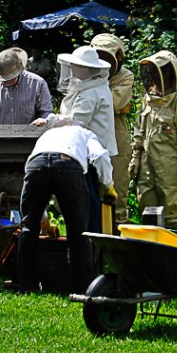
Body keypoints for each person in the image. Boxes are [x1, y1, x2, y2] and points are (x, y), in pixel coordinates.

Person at [15, 121, 117, 293]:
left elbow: (34, 199)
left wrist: (43, 219)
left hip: (35, 165)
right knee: (79, 233)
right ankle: (81, 289)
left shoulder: (48, 134)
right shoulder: (84, 132)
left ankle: (26, 286)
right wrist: (108, 185)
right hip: (68, 164)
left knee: (28, 230)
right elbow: (100, 156)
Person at [34, 45, 117, 232]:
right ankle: (90, 239)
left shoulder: (90, 93)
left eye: (76, 65)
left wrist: (51, 120)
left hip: (92, 154)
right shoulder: (88, 88)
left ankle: (92, 240)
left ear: (87, 69)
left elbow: (76, 121)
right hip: (86, 151)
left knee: (90, 201)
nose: (71, 68)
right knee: (86, 201)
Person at [129, 50, 177, 229]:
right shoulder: (149, 98)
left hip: (170, 163)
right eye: (151, 71)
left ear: (169, 73)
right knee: (145, 203)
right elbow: (140, 128)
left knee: (170, 208)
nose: (153, 75)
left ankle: (171, 241)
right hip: (147, 162)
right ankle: (150, 241)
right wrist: (136, 156)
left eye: (157, 71)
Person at [91, 33, 134, 227]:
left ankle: (117, 229)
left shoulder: (125, 76)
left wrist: (94, 95)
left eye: (107, 58)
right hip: (91, 135)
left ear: (118, 58)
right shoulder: (83, 71)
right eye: (99, 57)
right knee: (90, 184)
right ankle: (93, 228)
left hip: (117, 137)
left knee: (117, 186)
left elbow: (114, 103)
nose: (104, 63)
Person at [0, 47, 52, 125]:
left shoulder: (38, 83)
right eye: (4, 78)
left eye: (9, 77)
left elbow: (46, 112)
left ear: (19, 71)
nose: (6, 81)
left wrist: (43, 121)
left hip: (30, 132)